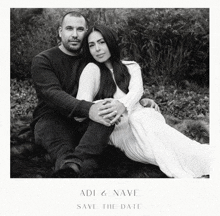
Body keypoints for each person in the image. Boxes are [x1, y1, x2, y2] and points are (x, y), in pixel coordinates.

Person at [76, 24, 212, 178]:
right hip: (123, 134)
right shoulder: (92, 70)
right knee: (159, 140)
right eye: (92, 45)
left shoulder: (131, 66)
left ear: (110, 42)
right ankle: (205, 160)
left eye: (101, 42)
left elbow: (136, 91)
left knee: (141, 116)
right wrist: (106, 105)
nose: (97, 49)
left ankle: (202, 163)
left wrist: (124, 105)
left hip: (147, 121)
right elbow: (81, 106)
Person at [30, 11, 118, 178]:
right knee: (57, 140)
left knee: (107, 115)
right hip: (53, 117)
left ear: (86, 32)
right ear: (60, 31)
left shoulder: (93, 58)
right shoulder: (43, 60)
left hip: (85, 120)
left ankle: (78, 161)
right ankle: (70, 166)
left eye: (80, 29)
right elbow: (52, 94)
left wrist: (141, 99)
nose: (75, 35)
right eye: (69, 28)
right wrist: (89, 109)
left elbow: (118, 77)